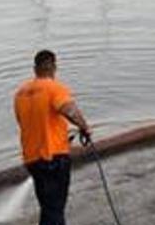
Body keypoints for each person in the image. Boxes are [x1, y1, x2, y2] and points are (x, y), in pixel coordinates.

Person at [14, 50, 93, 225]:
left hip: (32, 159)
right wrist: (84, 127)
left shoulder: (20, 93)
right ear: (53, 66)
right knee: (55, 208)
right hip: (53, 158)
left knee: (47, 206)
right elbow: (69, 110)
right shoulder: (54, 87)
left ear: (35, 68)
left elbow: (26, 124)